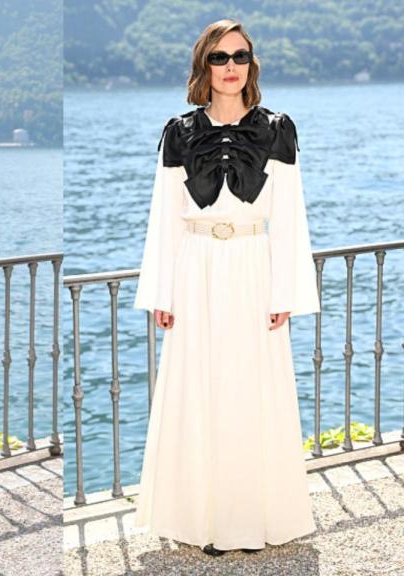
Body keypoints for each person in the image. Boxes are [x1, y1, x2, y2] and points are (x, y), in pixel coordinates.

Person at [133, 19, 319, 556]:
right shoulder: (178, 132)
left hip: (254, 267)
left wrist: (285, 292)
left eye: (239, 56)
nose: (230, 66)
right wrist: (162, 292)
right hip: (194, 270)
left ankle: (250, 521)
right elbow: (163, 216)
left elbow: (290, 216)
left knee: (251, 392)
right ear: (204, 67)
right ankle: (201, 522)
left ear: (250, 65)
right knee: (198, 392)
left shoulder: (278, 129)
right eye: (219, 57)